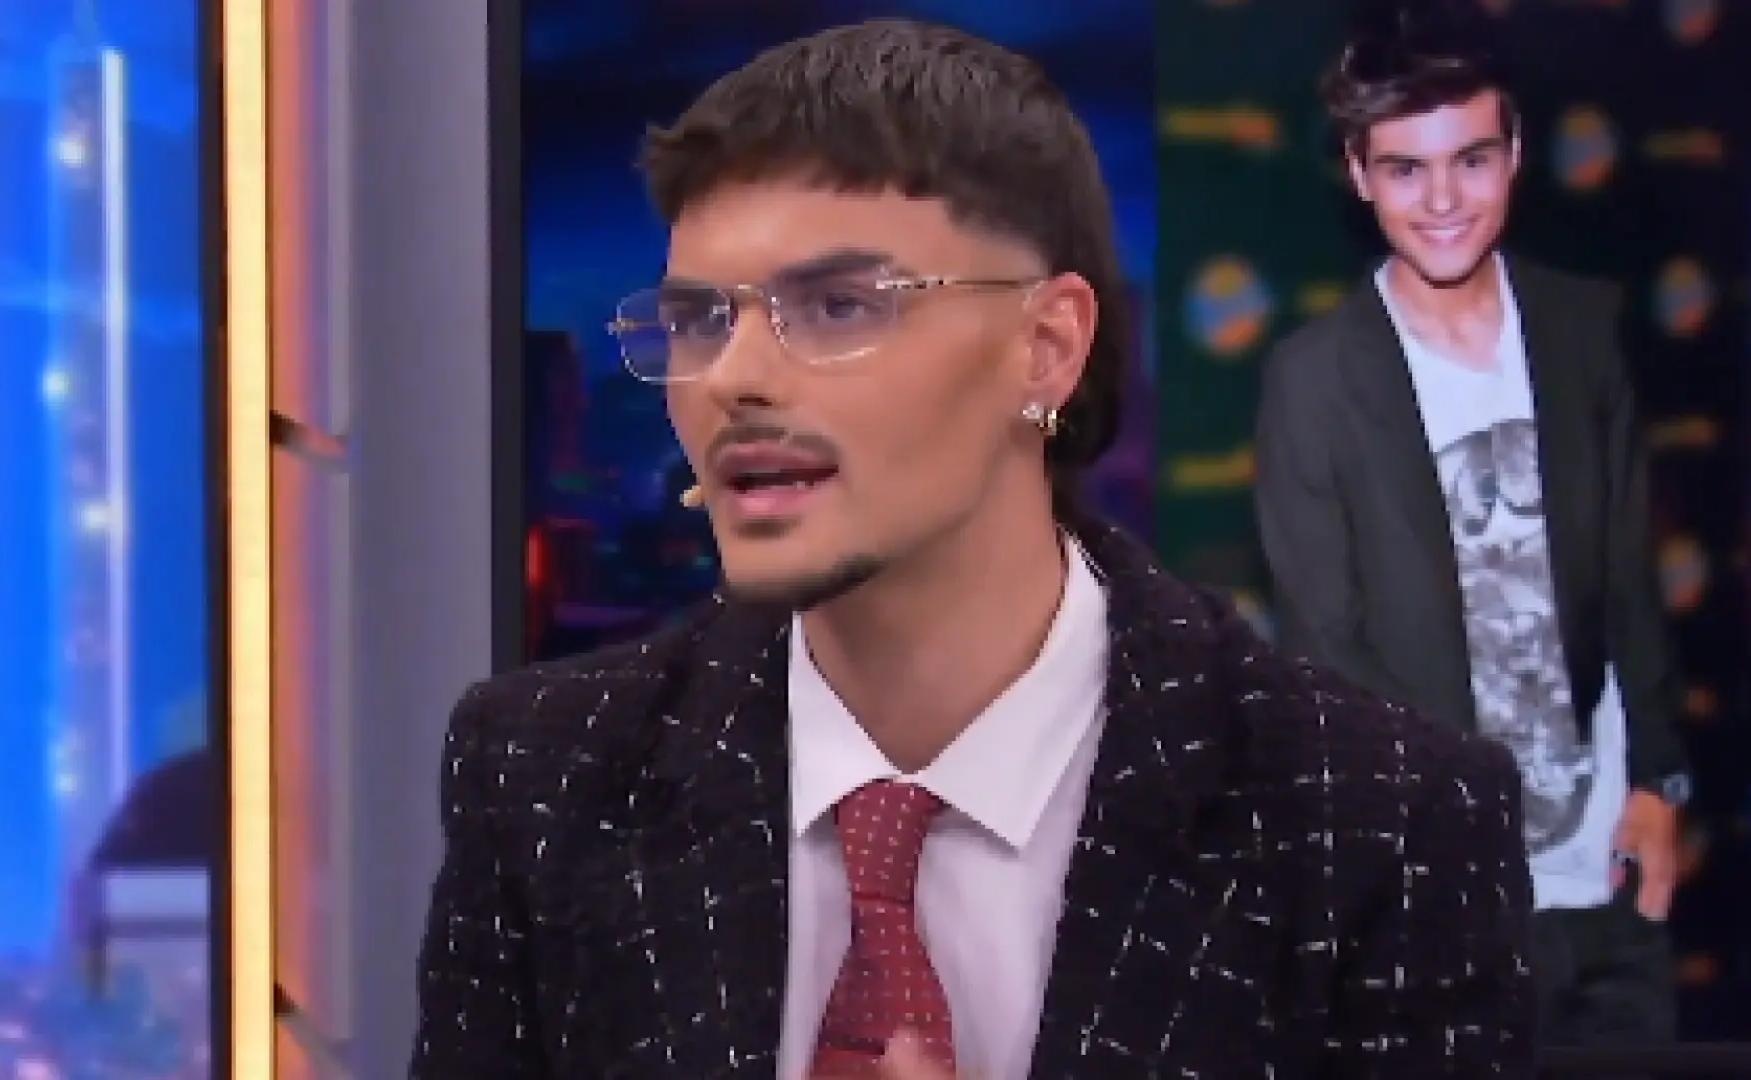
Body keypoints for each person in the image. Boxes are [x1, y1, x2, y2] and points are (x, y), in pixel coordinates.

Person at [414, 18, 1533, 1079]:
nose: (735, 378)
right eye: (701, 319)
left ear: (1045, 348)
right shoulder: (541, 779)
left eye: (837, 306)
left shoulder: (1384, 823)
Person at [1253, 0, 1687, 1050]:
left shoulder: (1582, 327)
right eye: (1406, 169)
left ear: (1516, 154)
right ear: (1359, 173)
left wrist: (1658, 780)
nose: (1442, 200)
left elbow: (1628, 578)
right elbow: (1326, 654)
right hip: (1437, 898)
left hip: (1608, 880)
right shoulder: (1314, 380)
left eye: (1471, 161)